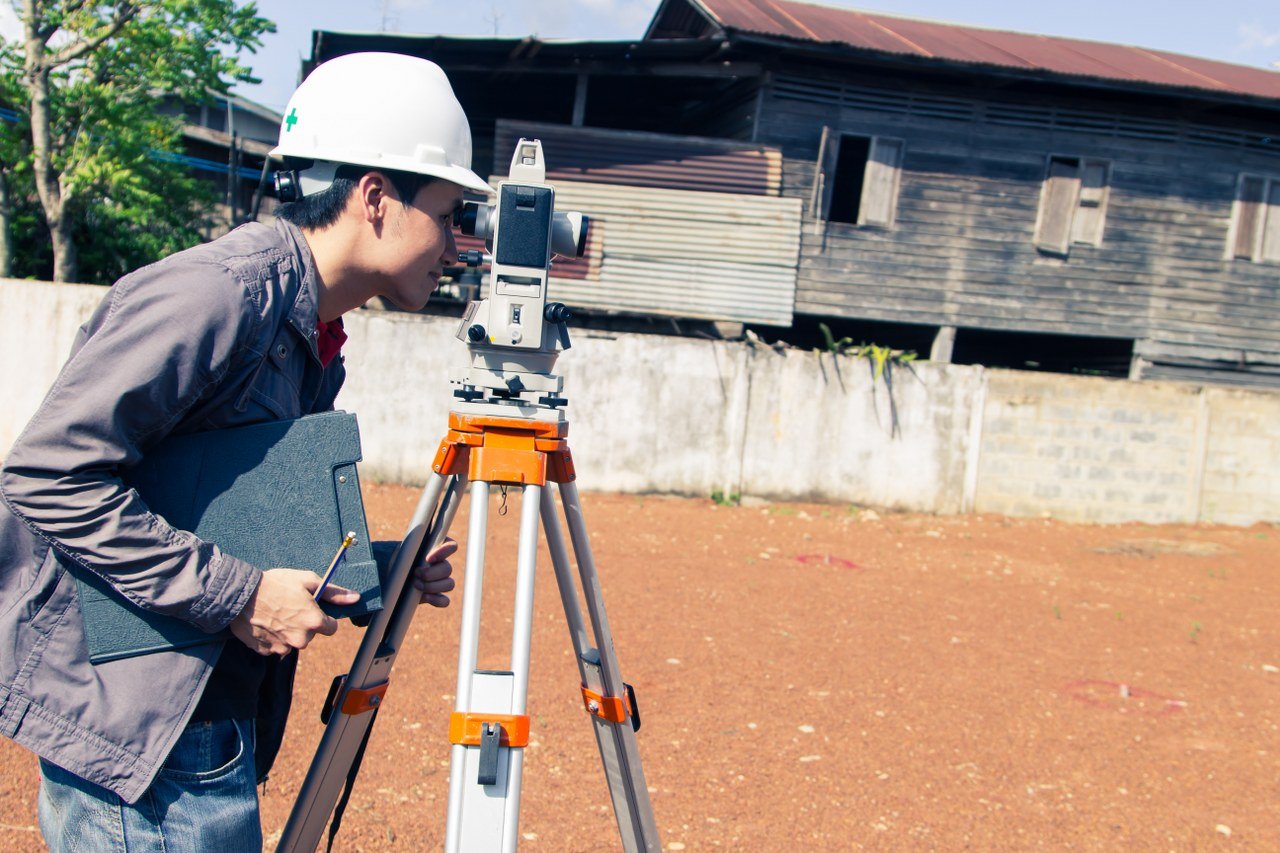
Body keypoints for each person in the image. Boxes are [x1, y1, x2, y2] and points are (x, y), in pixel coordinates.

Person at [0, 52, 493, 850]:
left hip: (198, 728)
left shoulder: (309, 328)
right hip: (146, 749)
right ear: (375, 197)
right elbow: (49, 475)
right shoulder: (219, 296)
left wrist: (372, 564)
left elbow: (222, 506)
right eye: (447, 212)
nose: (457, 244)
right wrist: (238, 596)